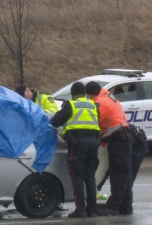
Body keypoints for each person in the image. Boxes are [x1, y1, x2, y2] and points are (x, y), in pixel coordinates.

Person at [50, 82, 100, 218]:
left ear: (72, 94)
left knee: (77, 177)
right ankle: (92, 210)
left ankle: (80, 210)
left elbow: (54, 121)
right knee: (90, 177)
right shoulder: (94, 105)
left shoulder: (70, 105)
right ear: (84, 93)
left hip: (77, 143)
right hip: (93, 143)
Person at [85, 81, 132, 216]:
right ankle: (126, 206)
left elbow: (93, 121)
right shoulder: (107, 95)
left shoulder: (100, 103)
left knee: (118, 175)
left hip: (119, 139)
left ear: (90, 94)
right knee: (124, 175)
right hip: (121, 137)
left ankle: (114, 207)